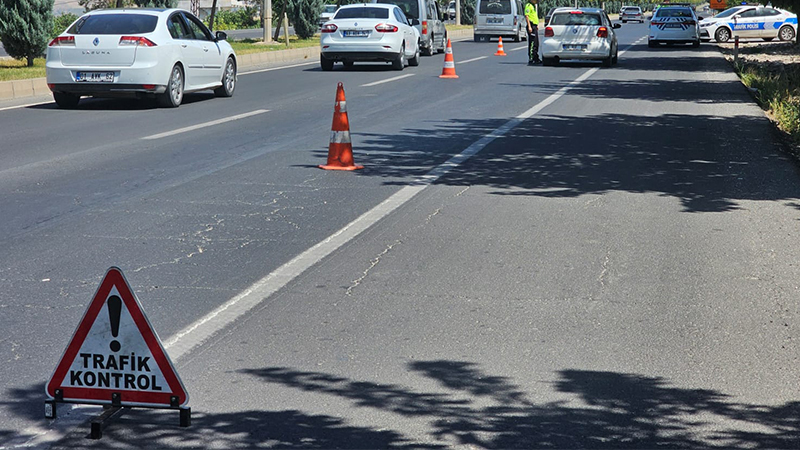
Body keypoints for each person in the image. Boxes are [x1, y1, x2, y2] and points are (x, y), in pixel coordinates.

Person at [525, 0, 541, 65]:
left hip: (534, 26)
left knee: (536, 43)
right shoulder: (528, 6)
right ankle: (531, 58)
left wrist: (536, 25)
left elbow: (534, 16)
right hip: (531, 26)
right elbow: (527, 16)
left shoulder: (533, 6)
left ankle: (536, 58)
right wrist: (529, 26)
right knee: (532, 43)